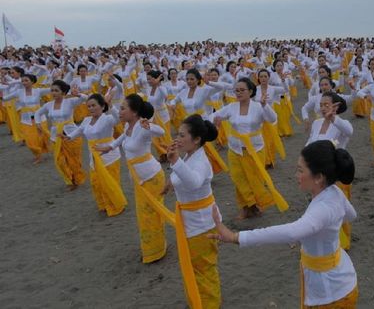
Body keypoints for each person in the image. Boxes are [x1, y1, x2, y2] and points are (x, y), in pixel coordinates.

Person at [208, 140, 359, 308]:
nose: (296, 175)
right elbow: (351, 215)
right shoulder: (335, 193)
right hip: (338, 279)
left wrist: (236, 237)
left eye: (301, 170)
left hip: (331, 293)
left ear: (318, 177)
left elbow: (292, 232)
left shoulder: (322, 209)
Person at [96, 94, 168, 263]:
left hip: (151, 177)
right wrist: (109, 147)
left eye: (122, 108)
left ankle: (156, 250)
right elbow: (123, 138)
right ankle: (153, 248)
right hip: (139, 179)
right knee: (144, 216)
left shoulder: (142, 127)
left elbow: (161, 131)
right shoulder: (128, 127)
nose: (119, 111)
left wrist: (149, 125)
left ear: (134, 112)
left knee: (150, 215)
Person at [164, 114, 221, 308]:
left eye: (182, 135)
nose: (177, 138)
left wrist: (175, 162)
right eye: (177, 134)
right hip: (190, 221)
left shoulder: (201, 161)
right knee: (195, 268)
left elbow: (194, 182)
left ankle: (209, 304)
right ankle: (199, 301)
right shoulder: (189, 156)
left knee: (203, 269)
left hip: (201, 225)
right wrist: (170, 180)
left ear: (196, 139)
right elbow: (180, 176)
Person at [210, 77, 288, 219]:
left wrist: (265, 105)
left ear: (250, 91)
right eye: (236, 91)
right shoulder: (231, 107)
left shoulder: (258, 106)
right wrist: (212, 121)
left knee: (255, 179)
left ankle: (256, 205)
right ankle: (246, 207)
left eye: (242, 90)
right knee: (238, 178)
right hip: (235, 149)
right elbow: (214, 116)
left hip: (255, 149)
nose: (238, 93)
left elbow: (272, 119)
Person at [305, 91, 355, 249]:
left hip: (335, 173)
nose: (322, 107)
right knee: (319, 208)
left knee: (338, 208)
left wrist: (333, 117)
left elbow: (350, 131)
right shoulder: (317, 123)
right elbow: (310, 141)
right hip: (317, 175)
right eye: (321, 105)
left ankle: (343, 241)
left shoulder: (340, 123)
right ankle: (324, 238)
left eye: (326, 104)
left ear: (335, 106)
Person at [65, 94, 127, 217]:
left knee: (110, 182)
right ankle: (104, 204)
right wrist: (69, 137)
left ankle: (116, 204)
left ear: (102, 106)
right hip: (93, 155)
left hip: (109, 155)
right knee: (96, 182)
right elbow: (79, 130)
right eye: (89, 106)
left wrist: (111, 106)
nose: (91, 108)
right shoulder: (86, 120)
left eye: (94, 105)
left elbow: (118, 119)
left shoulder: (107, 118)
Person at [34, 80, 88, 190]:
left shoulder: (70, 102)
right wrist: (38, 123)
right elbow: (37, 113)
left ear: (63, 92)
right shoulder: (48, 105)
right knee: (60, 160)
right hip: (56, 136)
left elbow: (85, 98)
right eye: (52, 90)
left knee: (74, 160)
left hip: (71, 134)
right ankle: (69, 180)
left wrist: (77, 94)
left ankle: (75, 180)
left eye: (56, 91)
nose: (53, 93)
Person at [2, 73, 50, 164]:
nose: (24, 82)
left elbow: (53, 89)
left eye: (26, 80)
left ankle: (39, 156)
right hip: (26, 120)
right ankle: (37, 153)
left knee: (41, 137)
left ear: (32, 81)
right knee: (29, 140)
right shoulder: (19, 92)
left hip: (39, 118)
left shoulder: (38, 91)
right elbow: (5, 98)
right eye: (22, 81)